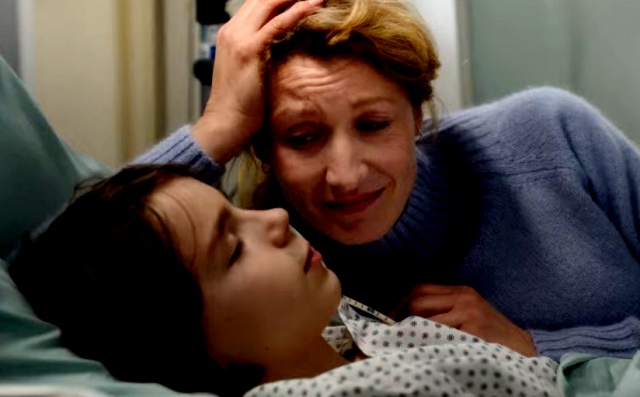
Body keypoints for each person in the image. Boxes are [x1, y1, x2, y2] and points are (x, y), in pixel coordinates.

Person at [135, 0, 640, 361]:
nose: (346, 176)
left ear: (416, 114)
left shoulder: (552, 134)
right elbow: (95, 280)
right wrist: (217, 126)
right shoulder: (268, 265)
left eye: (373, 125)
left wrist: (537, 345)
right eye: (303, 138)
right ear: (263, 147)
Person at [10, 164, 560, 397]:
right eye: (233, 249)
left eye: (235, 209)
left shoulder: (335, 329)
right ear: (192, 351)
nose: (274, 219)